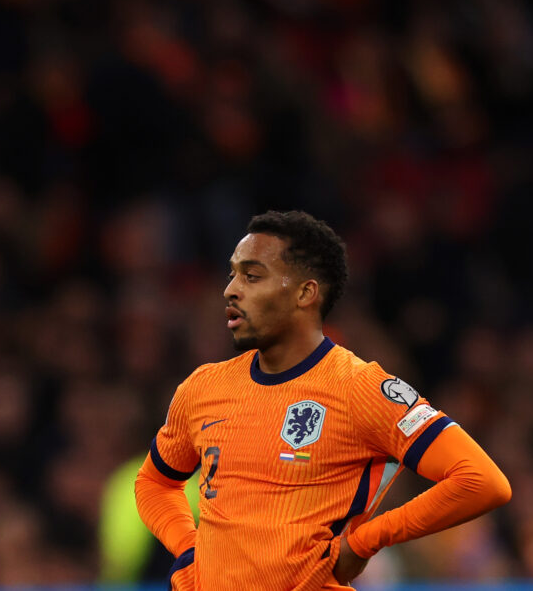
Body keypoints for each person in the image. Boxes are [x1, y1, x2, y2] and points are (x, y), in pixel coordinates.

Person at [135, 210, 511, 591]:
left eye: (251, 276)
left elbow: (481, 480)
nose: (231, 289)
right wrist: (188, 550)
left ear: (305, 293)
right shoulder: (203, 388)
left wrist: (365, 541)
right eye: (232, 274)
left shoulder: (360, 388)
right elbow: (153, 483)